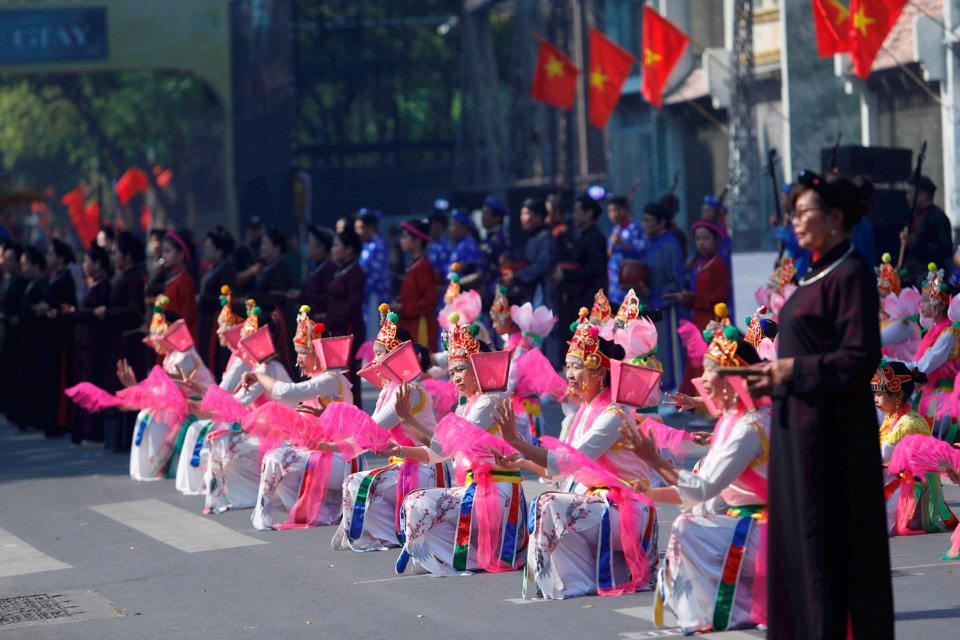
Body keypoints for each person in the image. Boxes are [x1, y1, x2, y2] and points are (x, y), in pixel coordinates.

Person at [745, 170, 893, 639]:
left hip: (829, 436)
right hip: (796, 428)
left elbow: (859, 356)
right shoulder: (814, 271)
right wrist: (766, 376)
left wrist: (792, 371)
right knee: (796, 545)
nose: (797, 220)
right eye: (795, 212)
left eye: (806, 212)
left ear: (835, 218)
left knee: (823, 546)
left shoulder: (851, 272)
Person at [492, 309, 656, 599]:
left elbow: (564, 462)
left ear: (601, 373)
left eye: (577, 366)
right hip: (601, 504)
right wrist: (523, 460)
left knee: (550, 502)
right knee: (551, 503)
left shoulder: (614, 414)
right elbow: (561, 472)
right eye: (568, 365)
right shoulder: (585, 412)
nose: (569, 373)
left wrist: (516, 441)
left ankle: (579, 581)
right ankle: (577, 578)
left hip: (628, 510)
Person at [624, 324, 770, 634]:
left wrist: (655, 462)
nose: (701, 380)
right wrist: (649, 490)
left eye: (708, 372)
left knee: (688, 526)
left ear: (733, 378)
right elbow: (696, 490)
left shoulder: (750, 426)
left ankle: (719, 612)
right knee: (692, 519)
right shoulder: (734, 420)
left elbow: (702, 489)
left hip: (766, 529)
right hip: (746, 522)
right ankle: (710, 609)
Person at [396, 316, 525, 577]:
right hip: (476, 490)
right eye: (452, 371)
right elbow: (436, 453)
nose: (454, 377)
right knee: (417, 505)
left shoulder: (490, 401)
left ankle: (463, 560)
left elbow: (446, 447)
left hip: (497, 492)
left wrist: (408, 420)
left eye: (461, 369)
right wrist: (398, 451)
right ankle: (460, 556)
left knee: (418, 503)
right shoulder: (467, 405)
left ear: (478, 369)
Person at [332, 310, 441, 551]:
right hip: (401, 463)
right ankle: (388, 532)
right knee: (360, 484)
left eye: (379, 355)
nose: (373, 362)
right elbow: (369, 430)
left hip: (422, 466)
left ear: (395, 357)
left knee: (355, 483)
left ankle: (390, 535)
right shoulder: (389, 390)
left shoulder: (408, 390)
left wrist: (334, 439)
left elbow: (373, 430)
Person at [872, 360, 958, 535]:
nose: (875, 399)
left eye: (879, 395)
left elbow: (882, 456)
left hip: (910, 488)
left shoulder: (907, 423)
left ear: (897, 396)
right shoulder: (892, 418)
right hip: (895, 478)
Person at [99, 232, 148, 452]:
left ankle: (126, 437)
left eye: (116, 252)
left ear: (127, 256)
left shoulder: (134, 278)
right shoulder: (124, 275)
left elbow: (135, 311)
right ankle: (116, 438)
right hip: (117, 339)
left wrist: (108, 311)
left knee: (125, 386)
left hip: (128, 340)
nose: (113, 256)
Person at [64, 245, 113, 443]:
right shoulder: (93, 285)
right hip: (84, 344)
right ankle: (85, 428)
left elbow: (94, 314)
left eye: (88, 261)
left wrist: (75, 313)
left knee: (93, 384)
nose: (84, 265)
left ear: (99, 264)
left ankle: (93, 430)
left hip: (94, 345)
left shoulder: (103, 287)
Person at [637, 201, 686, 392]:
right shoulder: (649, 243)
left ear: (661, 222)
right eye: (644, 220)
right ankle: (661, 388)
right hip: (650, 304)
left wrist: (656, 293)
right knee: (654, 350)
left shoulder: (671, 245)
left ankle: (674, 390)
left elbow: (677, 280)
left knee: (669, 349)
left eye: (648, 220)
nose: (644, 224)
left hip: (667, 306)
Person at [910, 265, 960, 443]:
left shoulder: (948, 334)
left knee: (934, 445)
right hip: (929, 392)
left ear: (937, 304)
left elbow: (926, 364)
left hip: (942, 398)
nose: (920, 305)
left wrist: (898, 370)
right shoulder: (934, 330)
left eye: (924, 300)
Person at [39, 238, 79, 437]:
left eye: (51, 254)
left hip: (61, 334)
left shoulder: (66, 278)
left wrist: (55, 311)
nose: (48, 257)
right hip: (50, 332)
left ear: (61, 258)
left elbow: (69, 305)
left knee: (59, 375)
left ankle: (60, 422)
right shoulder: (54, 276)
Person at [326, 228, 366, 408]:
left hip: (349, 329)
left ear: (349, 249)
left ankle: (353, 414)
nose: (332, 250)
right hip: (337, 328)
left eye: (336, 245)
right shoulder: (340, 270)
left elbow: (352, 305)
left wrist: (330, 319)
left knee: (349, 377)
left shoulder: (355, 272)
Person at [196, 226, 236, 376]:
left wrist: (202, 299)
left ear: (219, 250)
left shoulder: (226, 269)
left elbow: (226, 298)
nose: (205, 250)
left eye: (209, 246)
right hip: (206, 319)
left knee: (215, 358)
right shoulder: (212, 268)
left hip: (216, 319)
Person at [901, 174, 953, 284]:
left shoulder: (937, 217)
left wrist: (916, 243)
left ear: (923, 194)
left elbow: (945, 249)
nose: (907, 197)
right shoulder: (914, 216)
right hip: (913, 277)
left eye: (911, 193)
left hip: (930, 280)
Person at [395, 218, 439, 348]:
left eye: (405, 237)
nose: (401, 241)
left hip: (421, 325)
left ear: (418, 240)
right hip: (410, 323)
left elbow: (430, 301)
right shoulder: (415, 264)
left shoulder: (423, 266)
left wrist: (403, 307)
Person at [462, 195, 511, 296]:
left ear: (497, 217)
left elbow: (505, 272)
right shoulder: (486, 239)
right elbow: (483, 266)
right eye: (482, 213)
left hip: (495, 296)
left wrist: (490, 292)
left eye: (486, 213)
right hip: (484, 292)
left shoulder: (503, 239)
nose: (482, 217)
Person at [356, 211, 392, 345]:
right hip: (367, 297)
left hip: (375, 296)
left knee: (376, 333)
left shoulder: (379, 245)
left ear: (369, 227)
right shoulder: (366, 246)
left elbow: (377, 275)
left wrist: (362, 290)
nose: (357, 232)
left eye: (359, 228)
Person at [0, 242, 26, 422]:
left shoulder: (21, 282)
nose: (4, 262)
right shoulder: (5, 280)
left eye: (9, 259)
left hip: (16, 334)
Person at [606, 195, 645, 306]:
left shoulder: (635, 227)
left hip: (630, 281)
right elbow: (609, 253)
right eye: (609, 211)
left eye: (615, 210)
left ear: (624, 210)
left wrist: (622, 243)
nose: (612, 214)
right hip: (614, 283)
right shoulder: (615, 229)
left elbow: (641, 251)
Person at [161, 230, 198, 341]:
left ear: (181, 254)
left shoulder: (184, 281)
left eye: (168, 251)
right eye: (163, 251)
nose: (163, 255)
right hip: (169, 336)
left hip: (180, 340)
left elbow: (186, 317)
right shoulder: (174, 279)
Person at [296, 225, 336, 320]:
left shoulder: (329, 269)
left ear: (321, 248)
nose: (307, 246)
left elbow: (326, 298)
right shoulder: (317, 267)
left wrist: (301, 296)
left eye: (309, 242)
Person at [233, 215, 264, 295]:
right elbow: (236, 278)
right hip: (247, 295)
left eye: (258, 229)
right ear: (247, 230)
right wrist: (252, 271)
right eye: (253, 229)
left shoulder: (266, 247)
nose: (255, 233)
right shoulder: (240, 251)